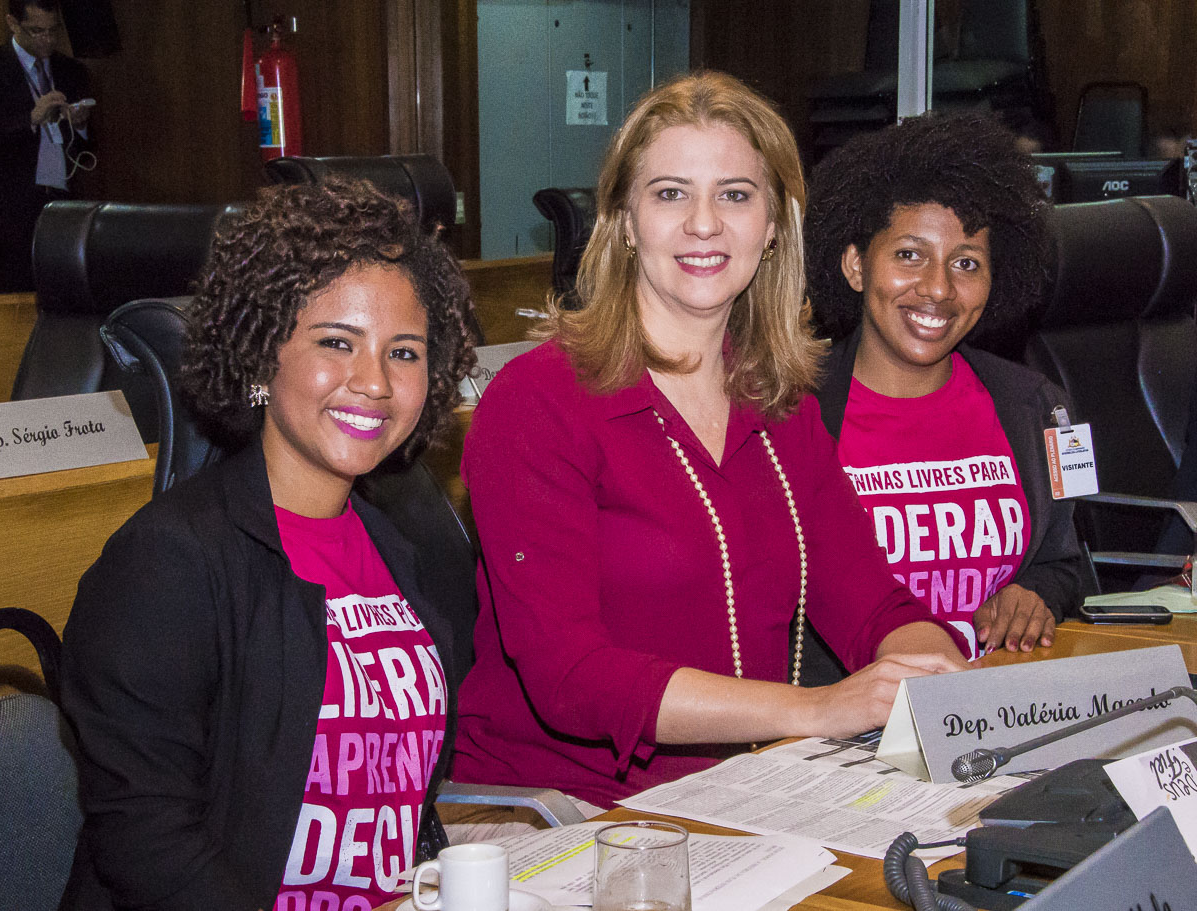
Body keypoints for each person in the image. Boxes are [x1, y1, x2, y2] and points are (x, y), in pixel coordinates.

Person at [452, 71, 970, 810]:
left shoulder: (782, 405)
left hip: (743, 795)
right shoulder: (538, 402)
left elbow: (871, 604)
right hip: (558, 815)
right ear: (625, 221)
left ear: (773, 226)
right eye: (670, 193)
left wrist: (945, 681)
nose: (704, 223)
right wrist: (820, 708)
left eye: (735, 194)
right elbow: (570, 676)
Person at [59, 179, 480, 911]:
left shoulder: (407, 550)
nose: (374, 381)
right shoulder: (167, 563)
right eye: (336, 342)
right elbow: (146, 841)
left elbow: (406, 808)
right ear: (261, 357)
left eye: (404, 352)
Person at [803, 112, 1086, 682]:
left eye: (966, 263)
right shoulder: (792, 411)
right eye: (909, 254)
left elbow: (1069, 563)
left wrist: (1036, 593)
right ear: (857, 265)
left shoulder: (1042, 408)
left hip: (1004, 710)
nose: (938, 288)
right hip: (847, 723)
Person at [0, 0, 94, 292]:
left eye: (53, 31)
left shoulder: (72, 71)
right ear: (13, 24)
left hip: (66, 208)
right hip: (12, 212)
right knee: (16, 306)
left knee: (67, 300)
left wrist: (80, 125)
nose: (47, 40)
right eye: (36, 31)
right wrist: (30, 120)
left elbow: (92, 149)